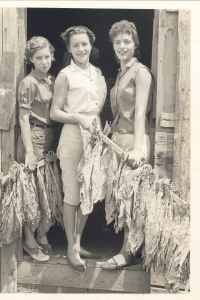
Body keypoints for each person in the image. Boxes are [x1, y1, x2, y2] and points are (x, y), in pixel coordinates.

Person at [50, 26, 107, 272]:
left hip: (95, 135)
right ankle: (71, 248)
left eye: (84, 44)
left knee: (89, 192)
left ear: (91, 46)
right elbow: (55, 112)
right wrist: (78, 118)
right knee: (72, 194)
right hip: (74, 135)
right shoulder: (65, 75)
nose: (81, 49)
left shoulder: (97, 73)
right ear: (69, 49)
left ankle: (79, 242)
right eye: (76, 45)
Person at [101, 20, 153, 269]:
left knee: (130, 200)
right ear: (113, 45)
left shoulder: (141, 72)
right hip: (119, 140)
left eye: (127, 41)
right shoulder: (122, 72)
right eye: (118, 42)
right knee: (121, 198)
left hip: (134, 141)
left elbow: (140, 112)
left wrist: (138, 149)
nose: (122, 46)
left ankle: (128, 252)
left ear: (135, 44)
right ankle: (129, 247)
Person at [17, 36, 56, 262]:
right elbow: (23, 118)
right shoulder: (29, 83)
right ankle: (29, 240)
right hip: (34, 134)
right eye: (39, 58)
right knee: (31, 188)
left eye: (47, 57)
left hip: (49, 136)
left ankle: (42, 234)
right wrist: (30, 151)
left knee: (45, 187)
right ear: (31, 59)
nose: (44, 61)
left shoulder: (50, 80)